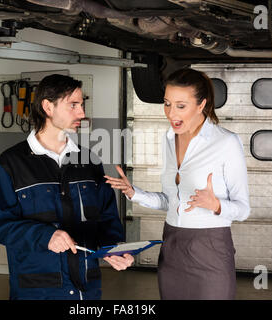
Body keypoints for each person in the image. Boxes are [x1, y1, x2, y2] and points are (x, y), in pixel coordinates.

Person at [105, 67, 250, 300]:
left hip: (210, 248)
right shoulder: (169, 138)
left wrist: (216, 205)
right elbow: (171, 201)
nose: (171, 113)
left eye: (181, 106)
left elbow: (243, 209)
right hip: (172, 246)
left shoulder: (226, 142)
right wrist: (134, 193)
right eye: (167, 104)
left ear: (201, 105)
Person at [0, 74, 134, 300]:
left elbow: (107, 219)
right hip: (37, 291)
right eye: (73, 105)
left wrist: (114, 249)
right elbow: (1, 225)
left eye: (82, 105)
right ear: (48, 106)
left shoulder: (90, 162)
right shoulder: (11, 164)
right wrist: (45, 236)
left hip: (85, 291)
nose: (82, 113)